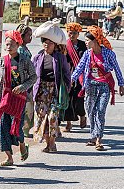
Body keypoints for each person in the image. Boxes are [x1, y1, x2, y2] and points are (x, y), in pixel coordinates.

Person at [0, 30, 37, 166]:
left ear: (18, 44)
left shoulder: (24, 61)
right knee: (2, 126)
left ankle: (21, 144)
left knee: (16, 127)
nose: (9, 47)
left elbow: (33, 77)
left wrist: (23, 87)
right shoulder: (1, 62)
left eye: (12, 44)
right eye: (7, 44)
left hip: (19, 99)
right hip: (5, 98)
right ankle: (9, 157)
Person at [71, 26, 124, 151]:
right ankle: (93, 135)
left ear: (95, 40)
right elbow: (79, 68)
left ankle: (98, 139)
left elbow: (116, 69)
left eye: (87, 40)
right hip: (90, 85)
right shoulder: (86, 54)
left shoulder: (108, 53)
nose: (85, 42)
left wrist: (121, 84)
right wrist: (71, 80)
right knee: (91, 112)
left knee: (100, 112)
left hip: (104, 86)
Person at [31, 21, 71, 153]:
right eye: (45, 43)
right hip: (41, 91)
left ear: (55, 45)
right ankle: (48, 144)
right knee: (42, 118)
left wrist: (67, 89)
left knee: (52, 118)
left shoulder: (60, 58)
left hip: (55, 91)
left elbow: (66, 74)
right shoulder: (37, 57)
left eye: (50, 43)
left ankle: (52, 143)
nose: (47, 45)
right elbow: (32, 74)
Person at [63, 23, 87, 131]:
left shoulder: (83, 45)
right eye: (70, 33)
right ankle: (68, 123)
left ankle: (82, 116)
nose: (71, 35)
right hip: (69, 75)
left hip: (81, 75)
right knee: (68, 99)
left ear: (78, 34)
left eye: (74, 33)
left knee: (79, 99)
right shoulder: (65, 45)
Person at [17, 25, 35, 137]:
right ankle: (23, 130)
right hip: (24, 81)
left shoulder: (24, 48)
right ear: (22, 36)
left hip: (28, 80)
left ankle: (25, 130)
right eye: (28, 35)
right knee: (26, 106)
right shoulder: (20, 50)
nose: (30, 38)